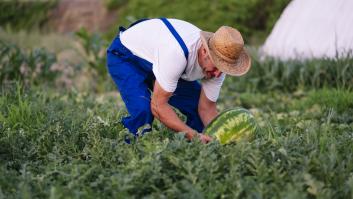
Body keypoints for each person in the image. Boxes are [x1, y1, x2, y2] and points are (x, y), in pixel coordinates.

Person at [106, 18, 251, 143]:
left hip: (161, 59)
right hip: (127, 55)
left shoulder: (218, 69)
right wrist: (191, 134)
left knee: (195, 106)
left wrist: (222, 139)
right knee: (143, 111)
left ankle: (196, 154)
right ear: (205, 51)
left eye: (223, 68)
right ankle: (128, 153)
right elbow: (158, 107)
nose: (218, 74)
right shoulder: (177, 53)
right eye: (216, 66)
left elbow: (207, 108)